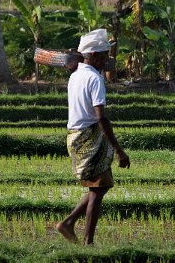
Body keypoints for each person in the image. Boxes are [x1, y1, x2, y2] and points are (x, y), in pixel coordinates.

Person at [55, 29, 130, 245]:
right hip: (90, 137)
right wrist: (119, 150)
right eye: (105, 55)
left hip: (75, 136)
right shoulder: (94, 79)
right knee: (97, 189)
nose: (108, 60)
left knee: (101, 185)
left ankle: (69, 223)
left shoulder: (76, 75)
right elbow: (101, 118)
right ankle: (88, 242)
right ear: (95, 56)